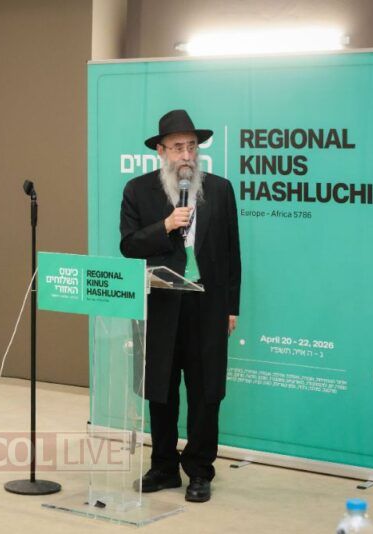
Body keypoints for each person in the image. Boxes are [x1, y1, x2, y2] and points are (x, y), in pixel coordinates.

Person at [119, 109, 241, 502]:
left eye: (191, 147)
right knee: (161, 390)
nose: (186, 155)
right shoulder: (138, 190)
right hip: (160, 306)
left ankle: (200, 471)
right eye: (177, 148)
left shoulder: (220, 190)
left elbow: (232, 254)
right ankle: (164, 467)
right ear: (161, 151)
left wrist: (231, 307)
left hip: (207, 306)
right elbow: (129, 245)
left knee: (206, 394)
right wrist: (167, 225)